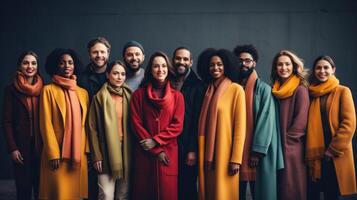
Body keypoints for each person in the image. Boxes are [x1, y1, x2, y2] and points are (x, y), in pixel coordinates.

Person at [130, 51, 184, 200]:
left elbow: (177, 125)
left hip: (168, 153)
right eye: (156, 66)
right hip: (145, 152)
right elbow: (136, 124)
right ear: (150, 69)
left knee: (167, 193)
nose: (160, 70)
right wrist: (155, 149)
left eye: (164, 66)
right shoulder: (138, 95)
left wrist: (156, 141)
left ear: (168, 68)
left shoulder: (177, 96)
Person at [233, 44, 284, 200]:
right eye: (240, 61)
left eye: (247, 61)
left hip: (256, 152)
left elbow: (266, 120)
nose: (243, 64)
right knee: (236, 193)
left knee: (259, 192)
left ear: (254, 63)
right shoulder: (232, 87)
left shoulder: (263, 89)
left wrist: (257, 151)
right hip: (235, 151)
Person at [39, 48, 89, 200]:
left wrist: (86, 151)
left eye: (70, 62)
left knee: (76, 195)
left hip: (78, 153)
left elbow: (85, 125)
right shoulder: (48, 90)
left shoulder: (83, 92)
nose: (67, 66)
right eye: (62, 63)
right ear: (56, 66)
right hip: (57, 154)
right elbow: (45, 123)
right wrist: (53, 153)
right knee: (59, 194)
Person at [197, 48, 246, 200]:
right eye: (212, 65)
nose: (215, 68)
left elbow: (240, 127)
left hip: (226, 155)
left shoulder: (236, 89)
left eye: (220, 64)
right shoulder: (207, 91)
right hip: (207, 155)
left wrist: (236, 159)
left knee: (224, 194)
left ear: (227, 66)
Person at [306, 55, 357, 200]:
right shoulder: (311, 93)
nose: (322, 71)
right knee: (312, 193)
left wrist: (333, 150)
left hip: (333, 153)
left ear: (333, 70)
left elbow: (349, 123)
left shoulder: (343, 91)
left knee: (331, 194)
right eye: (318, 68)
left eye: (326, 67)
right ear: (314, 71)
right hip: (315, 153)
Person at [88, 60, 133, 200]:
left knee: (122, 195)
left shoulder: (130, 96)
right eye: (115, 73)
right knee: (106, 195)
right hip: (105, 151)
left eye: (123, 74)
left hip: (126, 151)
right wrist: (96, 156)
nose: (119, 77)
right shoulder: (99, 97)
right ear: (108, 74)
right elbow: (92, 128)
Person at [3, 51, 43, 200]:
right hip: (21, 145)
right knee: (23, 188)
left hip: (41, 145)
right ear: (19, 66)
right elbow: (7, 122)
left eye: (33, 63)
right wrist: (13, 148)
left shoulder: (44, 88)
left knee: (41, 188)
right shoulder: (11, 90)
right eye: (26, 63)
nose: (30, 66)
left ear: (37, 66)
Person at [270, 50, 309, 200]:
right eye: (280, 64)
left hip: (291, 149)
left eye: (287, 64)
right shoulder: (276, 89)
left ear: (294, 66)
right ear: (275, 68)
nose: (283, 68)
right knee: (279, 189)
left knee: (292, 189)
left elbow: (300, 124)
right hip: (277, 147)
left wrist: (286, 145)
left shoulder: (300, 89)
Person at [79, 37, 111, 200]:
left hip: (111, 134)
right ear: (89, 54)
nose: (99, 55)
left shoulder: (114, 75)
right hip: (87, 133)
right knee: (90, 184)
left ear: (108, 53)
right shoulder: (80, 78)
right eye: (95, 52)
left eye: (102, 52)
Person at [172, 47, 205, 200]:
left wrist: (193, 149)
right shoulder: (168, 81)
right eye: (178, 58)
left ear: (191, 62)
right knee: (172, 186)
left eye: (185, 59)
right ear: (173, 61)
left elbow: (198, 119)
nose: (181, 62)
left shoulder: (198, 86)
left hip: (188, 146)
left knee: (188, 187)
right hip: (170, 144)